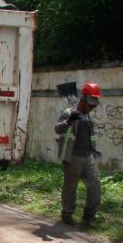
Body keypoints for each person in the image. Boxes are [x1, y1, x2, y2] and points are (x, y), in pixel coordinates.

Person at [54, 81, 103, 225]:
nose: (92, 108)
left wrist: (94, 153)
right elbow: (57, 129)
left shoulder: (88, 116)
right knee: (70, 188)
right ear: (83, 100)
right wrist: (69, 121)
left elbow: (90, 137)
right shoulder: (68, 113)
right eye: (90, 104)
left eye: (94, 105)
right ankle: (67, 215)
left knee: (95, 187)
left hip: (88, 157)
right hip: (72, 157)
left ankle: (88, 218)